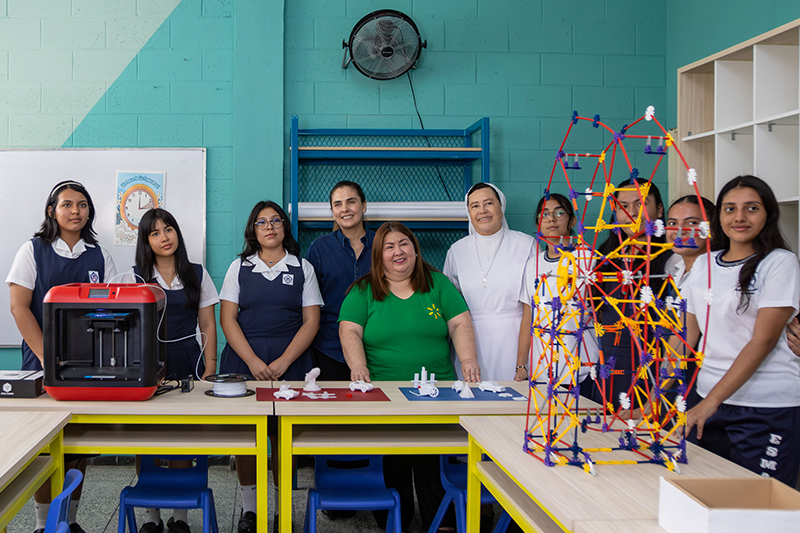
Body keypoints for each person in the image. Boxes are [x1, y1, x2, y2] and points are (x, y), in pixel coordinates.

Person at [339, 221, 480, 532]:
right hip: (385, 397)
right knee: (394, 459)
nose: (397, 251)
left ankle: (440, 522)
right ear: (379, 255)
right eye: (389, 247)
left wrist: (468, 359)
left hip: (436, 395)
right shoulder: (363, 290)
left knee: (433, 460)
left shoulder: (438, 284)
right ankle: (395, 520)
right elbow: (349, 330)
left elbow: (460, 323)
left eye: (403, 244)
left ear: (415, 250)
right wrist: (358, 366)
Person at [6, 180, 117, 533]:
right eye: (67, 204)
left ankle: (69, 521)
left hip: (86, 366)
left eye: (82, 205)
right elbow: (19, 307)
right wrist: (47, 357)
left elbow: (114, 309)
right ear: (52, 211)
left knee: (76, 446)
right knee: (44, 448)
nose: (75, 211)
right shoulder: (33, 250)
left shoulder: (99, 255)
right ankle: (44, 525)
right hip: (41, 362)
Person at [683, 175, 800, 486]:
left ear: (768, 214)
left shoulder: (780, 263)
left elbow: (763, 340)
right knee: (706, 496)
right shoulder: (705, 264)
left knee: (761, 502)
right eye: (730, 208)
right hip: (708, 398)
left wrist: (710, 402)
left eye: (752, 208)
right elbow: (686, 338)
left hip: (766, 406)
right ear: (719, 216)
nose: (739, 217)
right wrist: (652, 396)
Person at [219, 200, 322, 533]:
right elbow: (227, 319)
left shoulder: (302, 267)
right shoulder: (239, 267)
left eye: (275, 220)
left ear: (284, 227)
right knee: (248, 437)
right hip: (245, 361)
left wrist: (284, 361)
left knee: (283, 438)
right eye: (261, 222)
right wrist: (252, 361)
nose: (269, 227)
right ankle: (250, 510)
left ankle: (282, 509)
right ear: (253, 230)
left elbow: (311, 321)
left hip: (290, 363)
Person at [128, 208, 220, 533]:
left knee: (184, 437)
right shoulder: (135, 278)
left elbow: (208, 324)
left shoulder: (197, 273)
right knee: (147, 441)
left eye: (168, 230)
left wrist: (210, 367)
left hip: (188, 362)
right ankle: (151, 515)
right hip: (148, 365)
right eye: (155, 233)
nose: (164, 238)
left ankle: (180, 515)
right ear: (146, 241)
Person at [592, 177, 671, 410]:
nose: (632, 213)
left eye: (641, 204)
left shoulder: (671, 258)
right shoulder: (605, 257)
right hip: (611, 368)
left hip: (655, 372)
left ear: (659, 210)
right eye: (623, 206)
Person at [444, 183, 534, 381]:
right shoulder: (457, 251)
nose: (482, 210)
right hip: (470, 340)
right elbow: (450, 306)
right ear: (469, 212)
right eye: (475, 206)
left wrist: (522, 362)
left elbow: (534, 304)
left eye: (489, 203)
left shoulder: (526, 244)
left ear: (501, 206)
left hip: (515, 338)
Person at [517, 193, 599, 387]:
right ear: (538, 223)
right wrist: (521, 365)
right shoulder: (533, 264)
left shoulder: (588, 258)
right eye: (544, 214)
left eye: (559, 213)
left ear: (572, 221)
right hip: (542, 371)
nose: (551, 219)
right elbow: (528, 319)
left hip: (582, 370)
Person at [306, 180, 375, 381]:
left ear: (364, 206)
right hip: (330, 348)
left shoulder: (383, 244)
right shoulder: (319, 248)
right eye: (338, 204)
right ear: (332, 211)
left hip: (377, 348)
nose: (345, 209)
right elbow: (309, 302)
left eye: (351, 202)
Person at [664, 195, 716, 291]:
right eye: (673, 223)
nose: (680, 231)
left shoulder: (717, 273)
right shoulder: (676, 268)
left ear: (712, 228)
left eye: (691, 223)